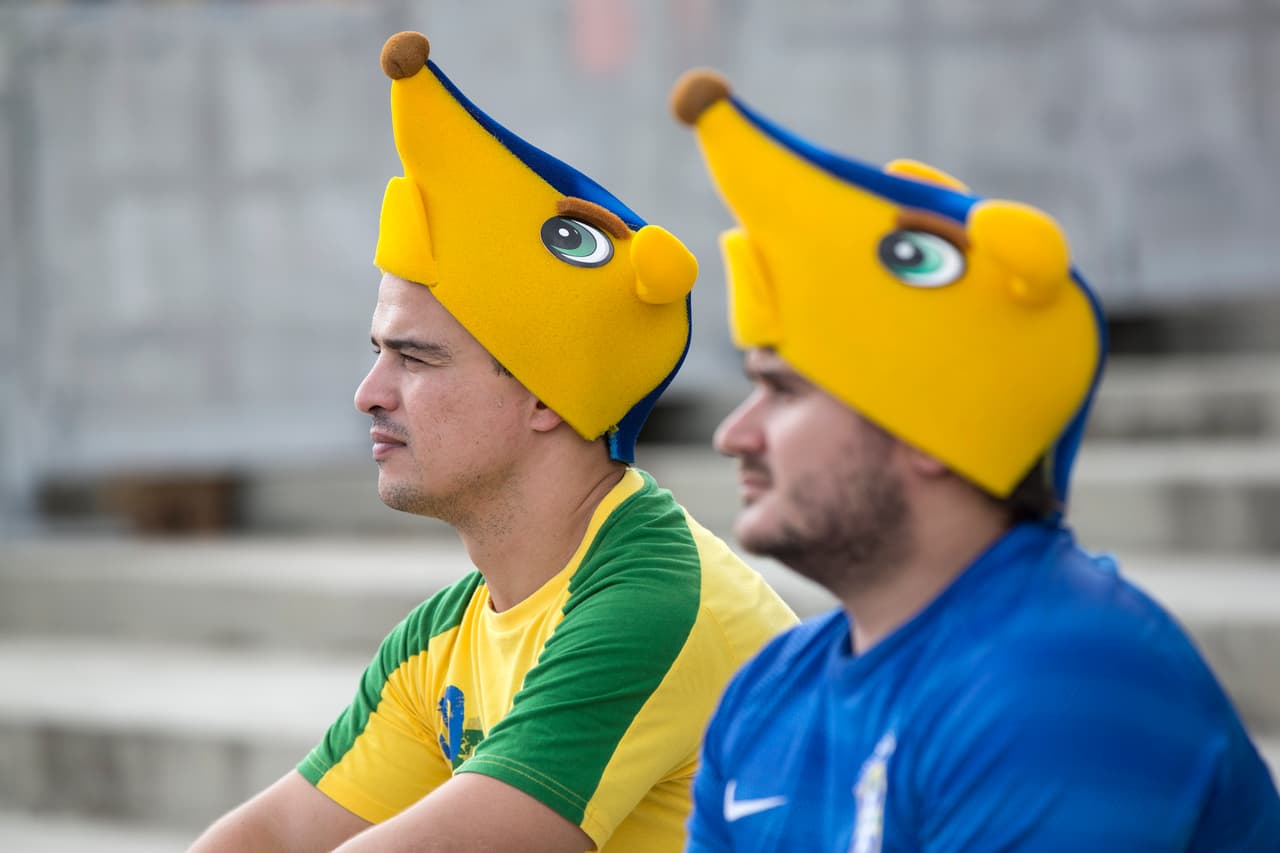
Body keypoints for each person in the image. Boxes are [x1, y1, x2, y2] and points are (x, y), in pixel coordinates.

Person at [189, 34, 796, 853]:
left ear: (546, 395)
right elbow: (271, 837)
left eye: (415, 358)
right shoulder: (445, 634)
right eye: (378, 353)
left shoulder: (650, 603)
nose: (369, 393)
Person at [670, 70, 1280, 851]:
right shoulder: (766, 692)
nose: (735, 434)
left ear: (928, 432)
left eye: (783, 393)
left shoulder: (1065, 682)